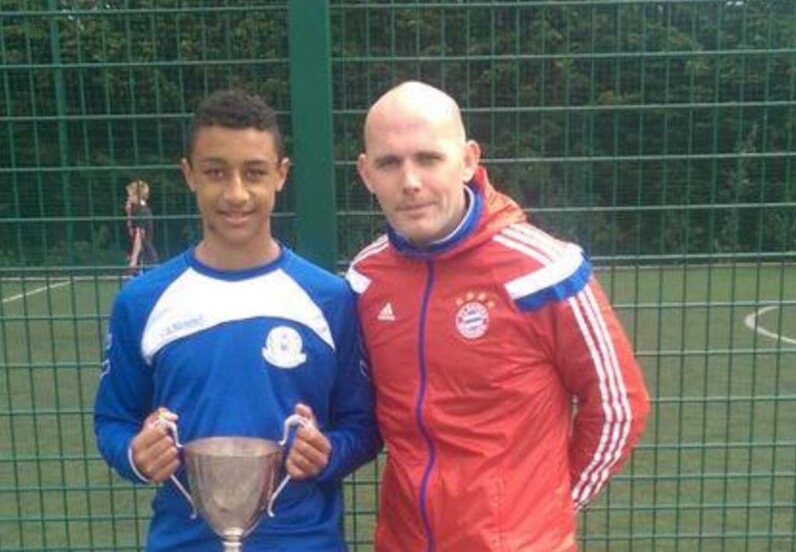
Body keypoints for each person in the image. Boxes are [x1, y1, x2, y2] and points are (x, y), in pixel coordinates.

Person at [347, 81, 651, 552]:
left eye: (428, 158)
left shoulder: (544, 271)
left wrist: (549, 509)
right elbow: (358, 407)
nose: (410, 182)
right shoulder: (366, 278)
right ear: (367, 174)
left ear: (468, 160)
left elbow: (619, 406)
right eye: (389, 163)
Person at [95, 89, 380, 552]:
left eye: (254, 172)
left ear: (281, 175)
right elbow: (112, 419)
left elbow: (363, 425)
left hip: (305, 542)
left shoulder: (330, 298)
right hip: (184, 543)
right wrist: (135, 454)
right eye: (215, 172)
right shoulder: (141, 302)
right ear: (189, 174)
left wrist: (328, 453)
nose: (235, 193)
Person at [125, 179, 159, 271]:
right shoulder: (136, 210)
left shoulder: (142, 211)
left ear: (138, 195)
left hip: (145, 257)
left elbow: (139, 236)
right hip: (141, 255)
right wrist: (129, 213)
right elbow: (131, 232)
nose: (128, 198)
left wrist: (134, 259)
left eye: (130, 195)